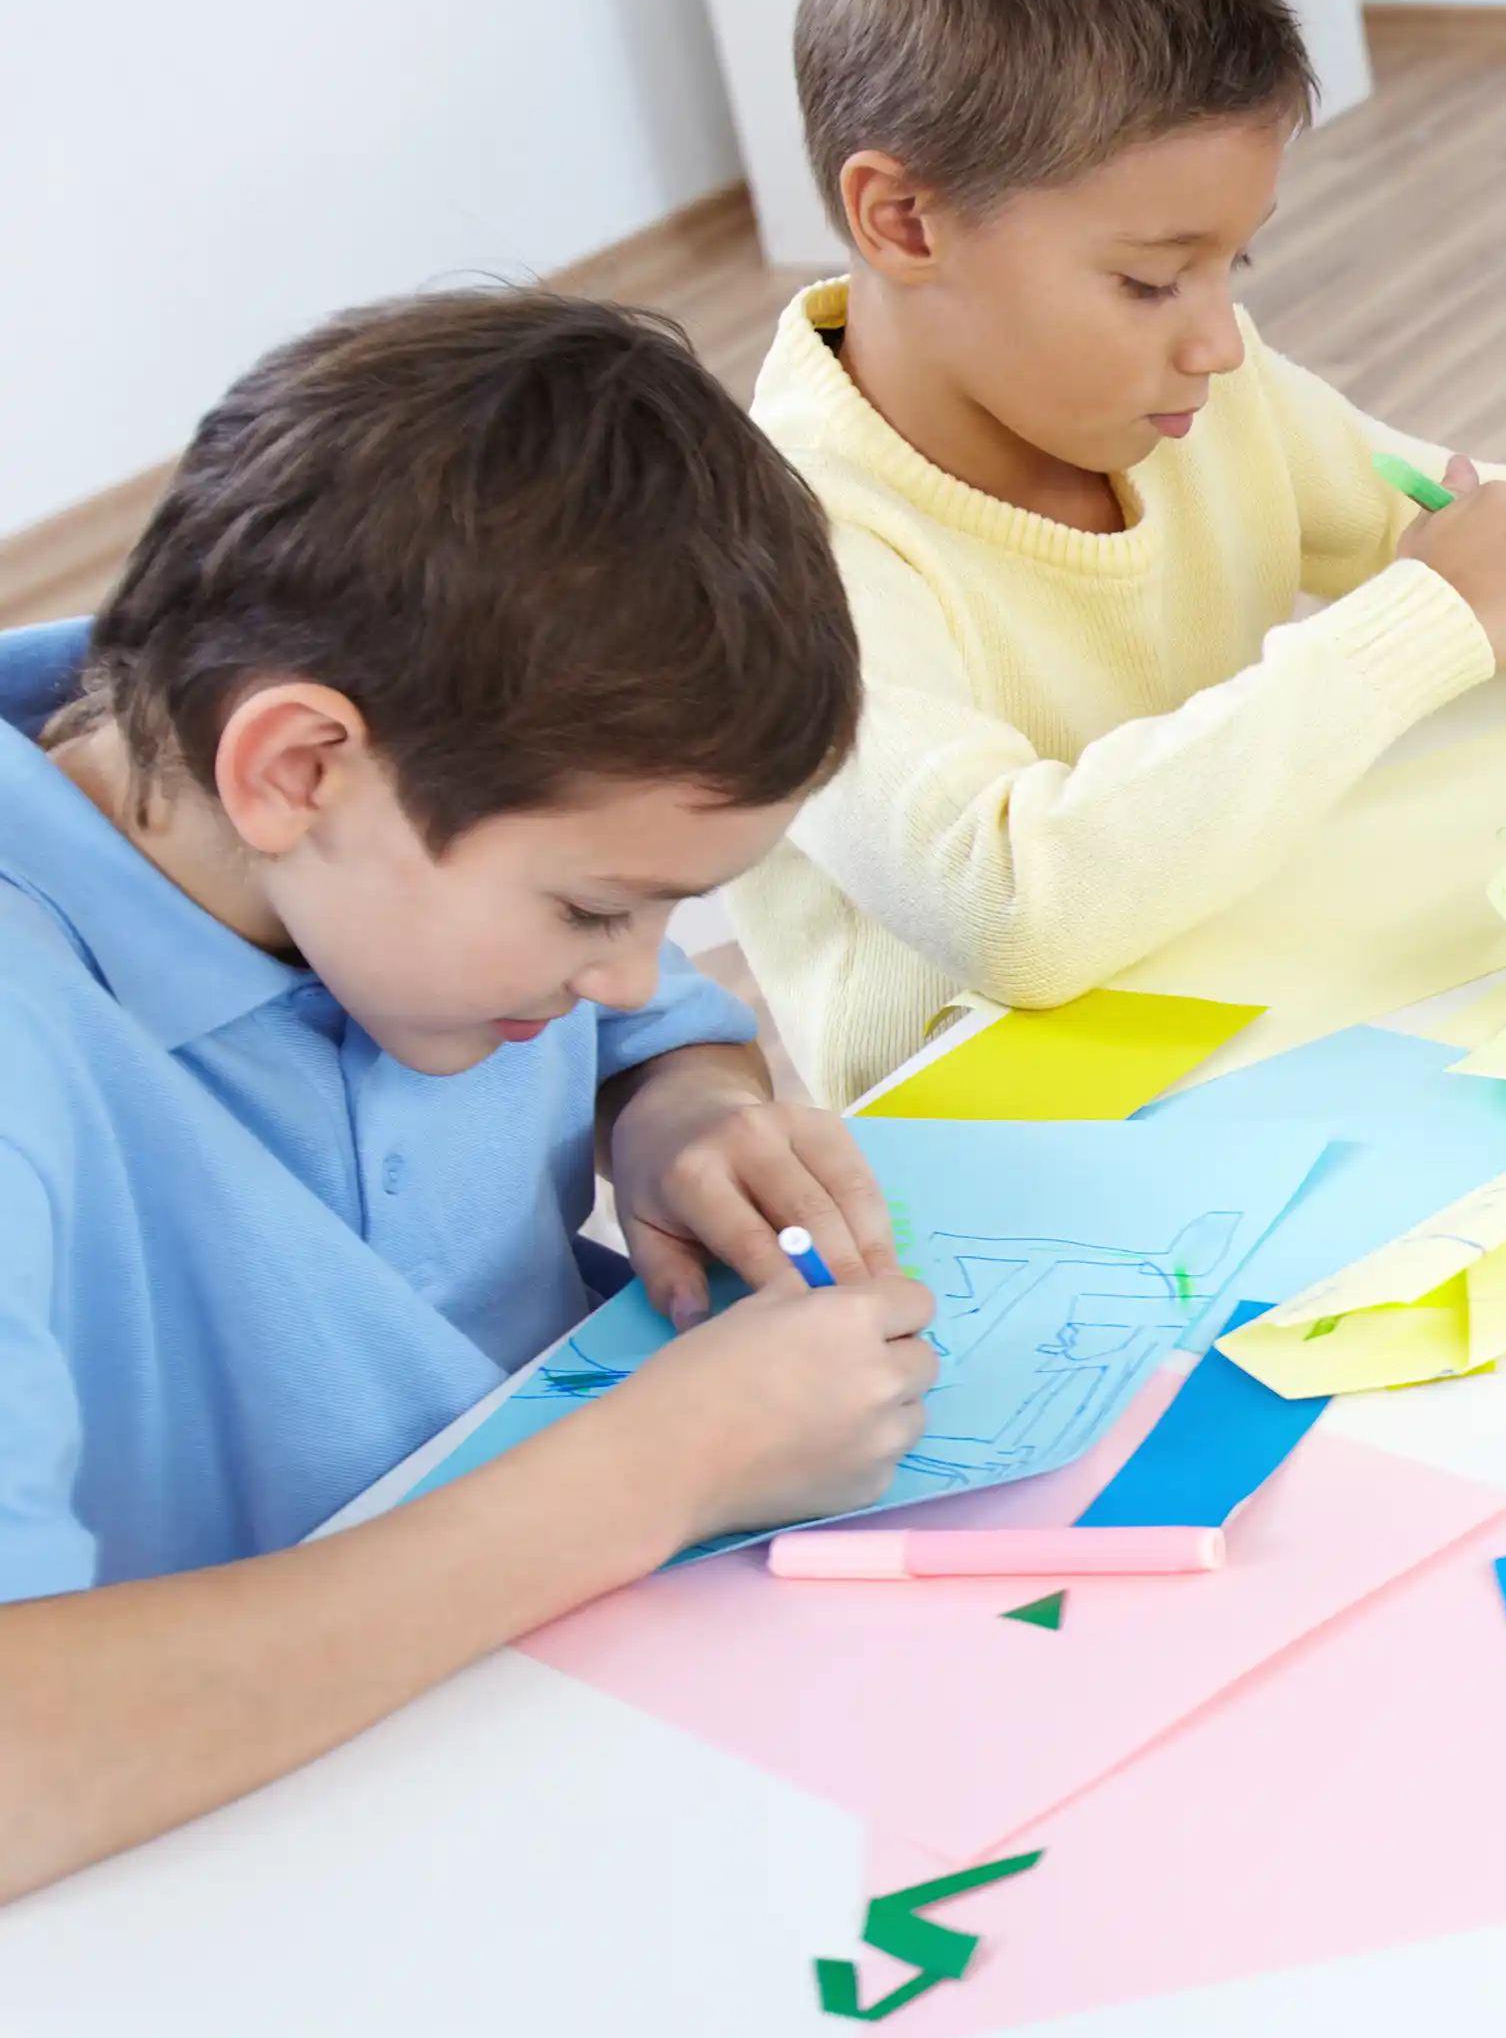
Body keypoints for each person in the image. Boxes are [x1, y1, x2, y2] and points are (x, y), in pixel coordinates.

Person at [0, 293, 937, 1902]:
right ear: (293, 770)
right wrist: (656, 1475)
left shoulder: (388, 846)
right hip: (234, 1886)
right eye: (593, 913)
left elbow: (660, 1029)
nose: (637, 973)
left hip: (586, 1736)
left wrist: (681, 1110)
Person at [728, 0, 1506, 1105]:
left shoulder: (1191, 392)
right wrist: (1423, 622)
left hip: (1259, 1041)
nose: (1219, 339)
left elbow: (1472, 516)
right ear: (903, 219)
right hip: (998, 1158)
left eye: (1236, 262)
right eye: (1153, 279)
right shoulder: (778, 548)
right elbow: (1013, 907)